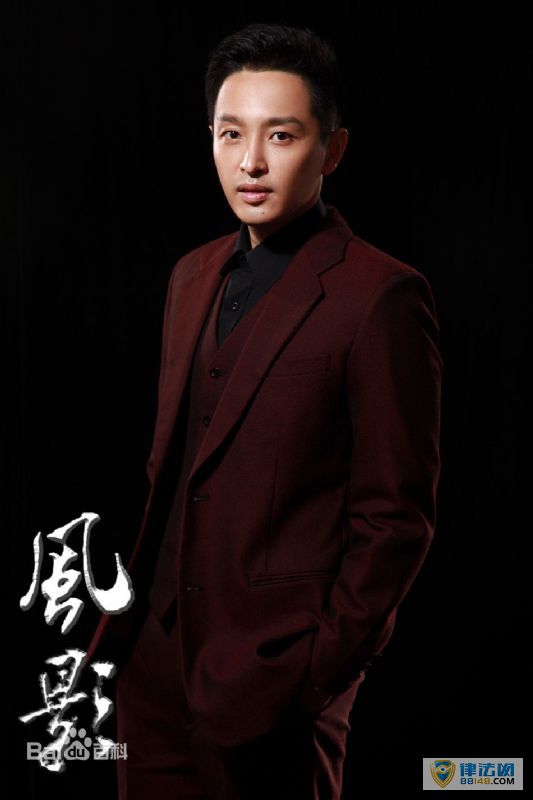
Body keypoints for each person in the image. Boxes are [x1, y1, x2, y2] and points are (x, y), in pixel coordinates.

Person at [87, 22, 442, 800]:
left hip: (274, 686)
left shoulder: (379, 295)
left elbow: (395, 518)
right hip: (152, 669)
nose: (250, 161)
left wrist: (316, 674)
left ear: (332, 149)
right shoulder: (191, 275)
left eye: (280, 135)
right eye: (230, 134)